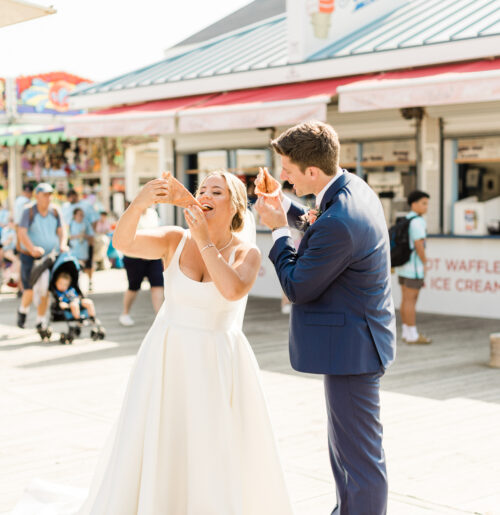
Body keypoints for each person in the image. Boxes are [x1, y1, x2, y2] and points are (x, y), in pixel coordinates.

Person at [11, 171, 293, 514]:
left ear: (234, 207)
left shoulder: (247, 253)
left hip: (217, 364)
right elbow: (123, 243)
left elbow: (231, 289)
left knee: (210, 444)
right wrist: (142, 201)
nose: (204, 194)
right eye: (201, 188)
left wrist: (204, 239)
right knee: (164, 438)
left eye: (215, 191)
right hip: (167, 357)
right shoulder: (175, 239)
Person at [255, 121, 396, 515]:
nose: (282, 176)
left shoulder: (341, 219)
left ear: (312, 172)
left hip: (354, 349)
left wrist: (278, 231)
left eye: (287, 169)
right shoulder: (351, 189)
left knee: (360, 461)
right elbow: (322, 229)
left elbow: (298, 286)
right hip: (355, 342)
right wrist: (285, 207)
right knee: (348, 455)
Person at [17, 183, 67, 330]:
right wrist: (32, 249)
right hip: (30, 256)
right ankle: (23, 311)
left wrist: (63, 244)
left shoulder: (55, 211)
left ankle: (40, 320)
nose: (48, 197)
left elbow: (61, 230)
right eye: (45, 194)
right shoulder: (29, 211)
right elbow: (22, 232)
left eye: (50, 194)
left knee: (44, 288)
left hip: (48, 256)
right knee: (29, 289)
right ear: (37, 195)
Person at [118, 206, 164, 326]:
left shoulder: (153, 213)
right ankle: (125, 313)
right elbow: (126, 236)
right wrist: (141, 251)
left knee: (158, 285)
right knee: (134, 287)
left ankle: (160, 319)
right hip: (134, 257)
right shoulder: (131, 214)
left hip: (153, 256)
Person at [397, 190, 431, 344]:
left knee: (405, 300)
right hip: (414, 269)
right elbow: (419, 244)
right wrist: (425, 262)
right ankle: (412, 335)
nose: (426, 207)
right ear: (414, 204)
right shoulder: (418, 222)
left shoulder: (406, 219)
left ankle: (407, 332)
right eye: (424, 203)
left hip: (403, 267)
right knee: (411, 300)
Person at [69, 208, 95, 290]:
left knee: (88, 266)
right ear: (75, 215)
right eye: (79, 214)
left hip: (84, 248)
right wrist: (77, 236)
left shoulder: (85, 223)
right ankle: (76, 283)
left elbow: (91, 235)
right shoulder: (71, 224)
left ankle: (90, 281)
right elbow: (68, 236)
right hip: (75, 249)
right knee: (76, 267)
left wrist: (84, 236)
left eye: (82, 215)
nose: (81, 216)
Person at [1, 218, 20, 287]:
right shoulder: (5, 231)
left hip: (14, 251)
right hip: (7, 251)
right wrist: (9, 240)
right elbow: (3, 243)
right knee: (16, 261)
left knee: (18, 261)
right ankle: (12, 277)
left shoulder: (15, 231)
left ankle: (14, 278)